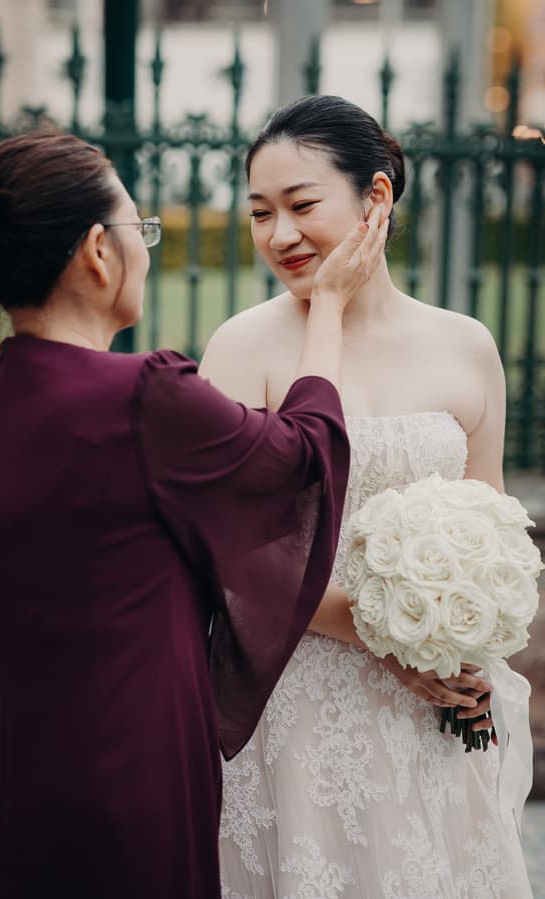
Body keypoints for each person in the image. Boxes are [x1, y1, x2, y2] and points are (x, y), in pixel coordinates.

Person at [0, 130, 388, 899]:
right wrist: (329, 308)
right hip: (129, 782)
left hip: (14, 786)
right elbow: (300, 460)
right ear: (97, 250)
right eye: (139, 229)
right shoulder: (144, 396)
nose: (144, 249)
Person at [199, 95, 533, 898]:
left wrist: (468, 644)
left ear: (376, 197)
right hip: (298, 702)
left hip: (433, 701)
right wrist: (384, 635)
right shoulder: (243, 347)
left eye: (302, 205)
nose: (280, 234)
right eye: (259, 213)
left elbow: (489, 529)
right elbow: (226, 548)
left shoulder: (467, 345)